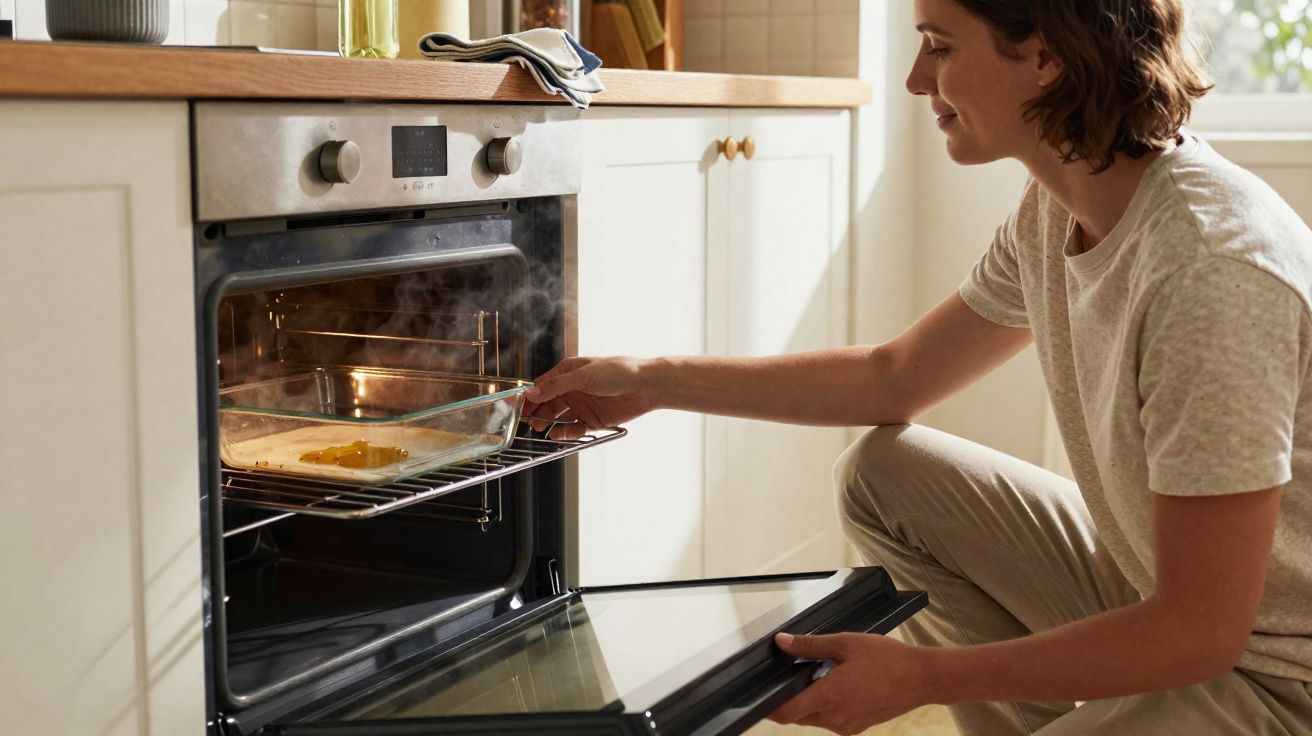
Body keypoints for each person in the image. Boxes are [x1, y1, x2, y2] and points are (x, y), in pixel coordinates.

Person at [523, 0, 1312, 733]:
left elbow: (1201, 632)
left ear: (1044, 56)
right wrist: (655, 380)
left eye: (939, 46)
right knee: (884, 473)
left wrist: (927, 677)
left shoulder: (1211, 267)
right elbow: (893, 378)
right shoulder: (1057, 208)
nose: (913, 79)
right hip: (1168, 599)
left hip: (1275, 674)